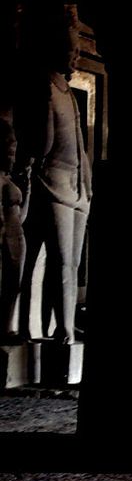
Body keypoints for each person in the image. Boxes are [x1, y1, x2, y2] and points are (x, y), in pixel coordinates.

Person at [15, 5, 91, 345]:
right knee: (56, 261)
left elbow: (80, 147)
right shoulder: (44, 86)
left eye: (77, 52)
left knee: (71, 263)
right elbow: (42, 143)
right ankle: (51, 328)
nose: (75, 57)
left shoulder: (67, 94)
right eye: (71, 51)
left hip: (75, 184)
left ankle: (65, 323)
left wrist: (87, 184)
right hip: (52, 180)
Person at [0, 108, 26, 341]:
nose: (12, 155)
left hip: (17, 234)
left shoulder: (10, 181)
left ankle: (8, 326)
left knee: (13, 286)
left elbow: (22, 215)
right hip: (6, 234)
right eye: (9, 150)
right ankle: (4, 328)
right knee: (5, 283)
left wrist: (26, 187)